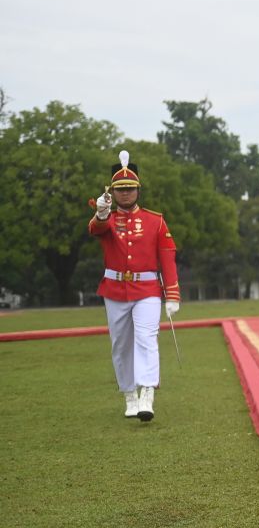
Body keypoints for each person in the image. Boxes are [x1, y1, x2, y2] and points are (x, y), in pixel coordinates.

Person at [89, 151, 180, 422]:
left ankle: (147, 393)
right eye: (120, 189)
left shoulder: (156, 220)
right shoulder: (106, 218)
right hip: (115, 290)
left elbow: (167, 256)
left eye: (130, 188)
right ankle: (129, 394)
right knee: (121, 344)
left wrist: (172, 293)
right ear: (113, 193)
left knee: (146, 338)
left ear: (138, 190)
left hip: (148, 289)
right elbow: (95, 229)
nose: (126, 193)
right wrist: (101, 212)